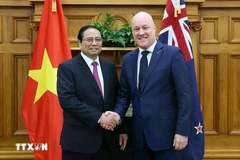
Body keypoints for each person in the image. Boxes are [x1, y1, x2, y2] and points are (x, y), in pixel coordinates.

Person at [102, 12, 194, 160]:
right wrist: (117, 115)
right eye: (136, 29)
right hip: (140, 138)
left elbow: (185, 96)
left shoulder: (172, 54)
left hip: (169, 137)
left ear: (154, 29)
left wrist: (182, 132)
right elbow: (124, 95)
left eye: (145, 27)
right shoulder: (128, 60)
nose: (141, 33)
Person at [57, 25, 128, 160]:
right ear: (79, 43)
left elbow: (116, 98)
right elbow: (67, 100)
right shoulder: (67, 67)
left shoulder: (109, 67)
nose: (94, 43)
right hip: (79, 143)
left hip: (108, 141)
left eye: (98, 40)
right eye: (89, 40)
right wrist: (99, 117)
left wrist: (121, 129)